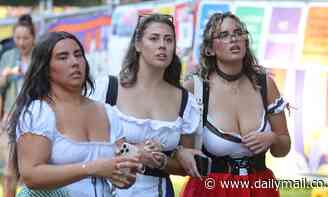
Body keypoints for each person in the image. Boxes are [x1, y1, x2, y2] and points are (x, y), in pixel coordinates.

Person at [5, 31, 142, 197]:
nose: (75, 62)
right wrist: (91, 168)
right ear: (45, 68)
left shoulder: (107, 112)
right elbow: (31, 176)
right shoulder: (39, 112)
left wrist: (130, 167)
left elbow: (125, 173)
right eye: (63, 57)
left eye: (78, 55)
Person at [90, 13, 201, 197]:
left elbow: (185, 168)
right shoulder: (108, 88)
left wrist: (162, 161)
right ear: (138, 44)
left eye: (169, 40)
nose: (162, 45)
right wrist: (133, 152)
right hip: (106, 189)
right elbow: (84, 143)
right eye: (154, 38)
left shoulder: (184, 100)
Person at [181, 12, 291, 197]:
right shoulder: (196, 88)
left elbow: (283, 148)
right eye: (224, 35)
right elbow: (180, 149)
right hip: (211, 190)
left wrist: (272, 138)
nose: (234, 39)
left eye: (238, 33)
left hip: (260, 188)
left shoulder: (266, 84)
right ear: (210, 49)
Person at [0, 14, 35, 120]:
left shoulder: (40, 56)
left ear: (33, 37)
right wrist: (6, 73)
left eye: (25, 38)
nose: (21, 42)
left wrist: (27, 75)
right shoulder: (7, 56)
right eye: (17, 38)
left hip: (35, 112)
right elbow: (1, 86)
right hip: (12, 112)